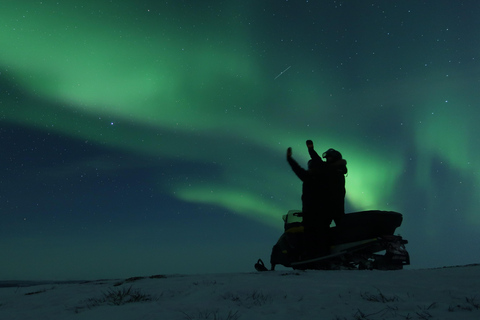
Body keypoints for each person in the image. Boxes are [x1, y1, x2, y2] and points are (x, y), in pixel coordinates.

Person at [286, 140, 347, 259]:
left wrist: (310, 150)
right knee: (317, 232)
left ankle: (320, 254)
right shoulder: (328, 172)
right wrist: (290, 159)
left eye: (329, 158)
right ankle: (318, 254)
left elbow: (318, 163)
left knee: (320, 232)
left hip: (325, 208)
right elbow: (299, 169)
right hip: (322, 208)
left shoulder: (329, 172)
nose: (327, 160)